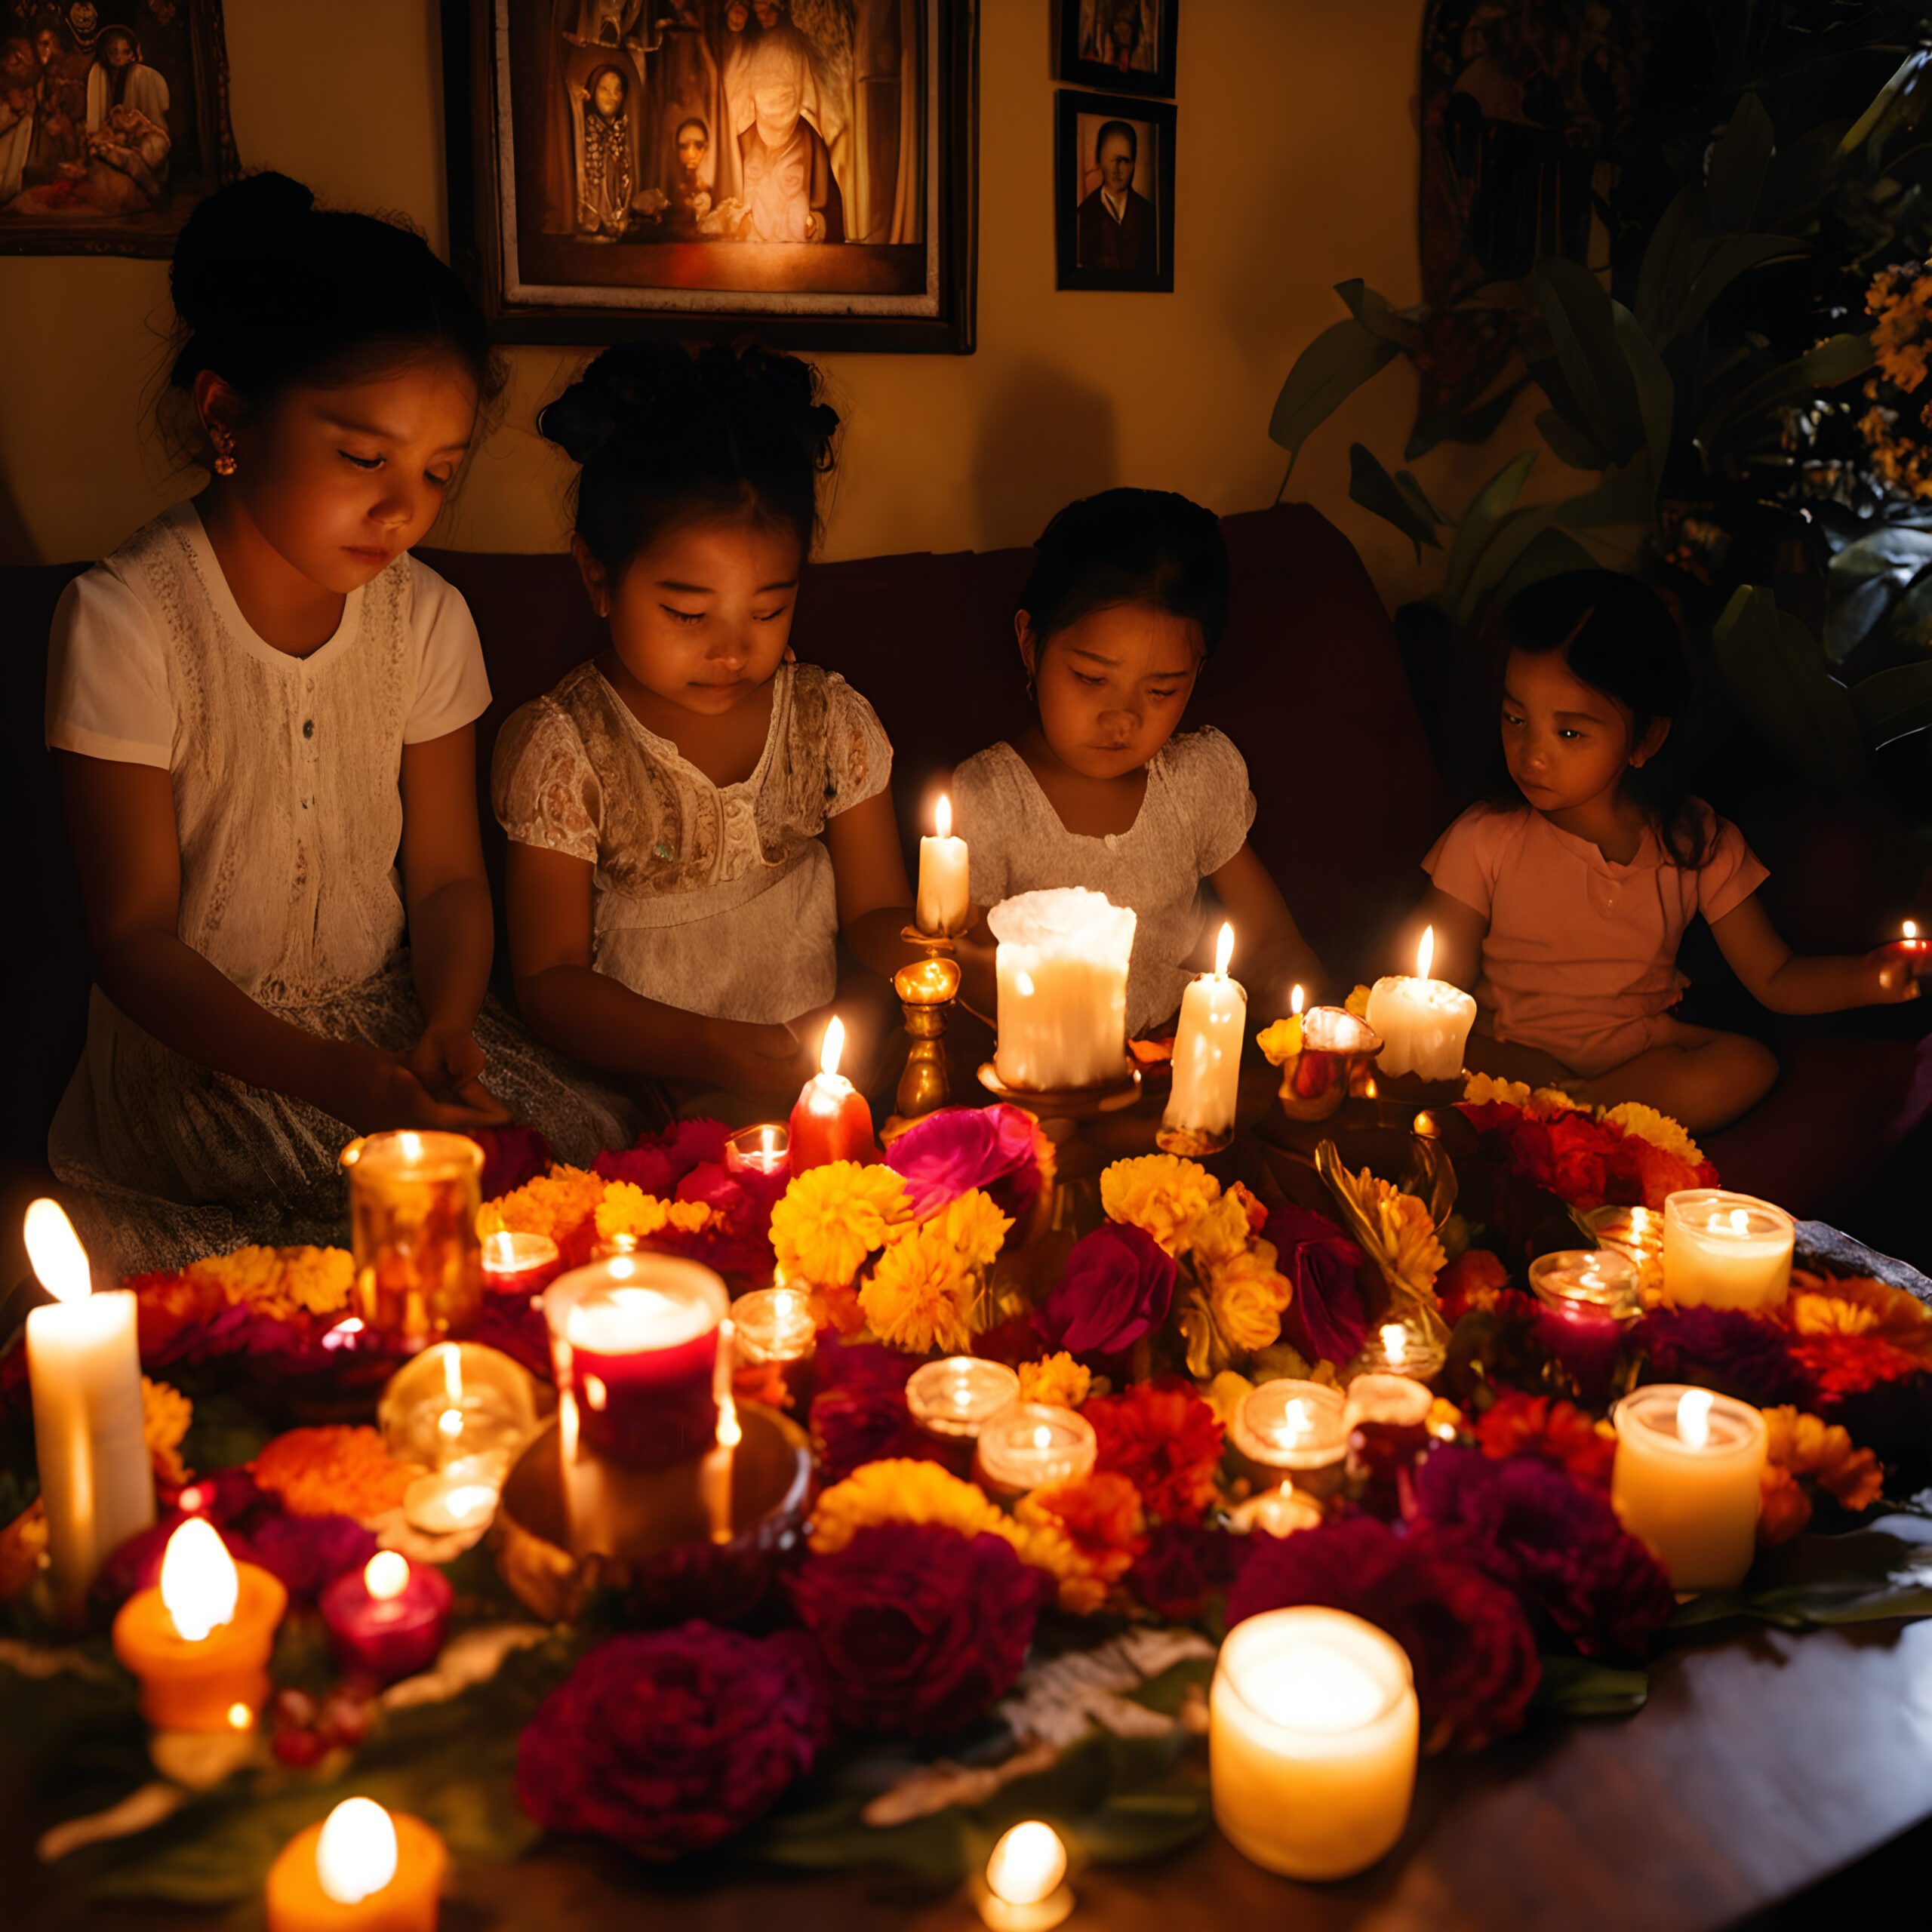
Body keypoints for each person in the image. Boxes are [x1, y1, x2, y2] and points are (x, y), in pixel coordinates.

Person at [44, 171, 633, 1272]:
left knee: (590, 1163)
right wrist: (332, 1082)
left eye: (438, 474)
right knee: (349, 1235)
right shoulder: (126, 620)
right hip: (207, 1054)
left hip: (388, 1026)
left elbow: (450, 879)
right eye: (364, 457)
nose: (402, 506)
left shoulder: (428, 620)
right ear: (227, 416)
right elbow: (133, 941)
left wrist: (448, 1023)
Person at [492, 343, 913, 1113]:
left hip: (815, 1082)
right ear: (597, 577)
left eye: (768, 610)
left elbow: (876, 917)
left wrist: (943, 961)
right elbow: (548, 982)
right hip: (636, 1089)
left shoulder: (828, 724)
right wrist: (713, 1051)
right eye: (687, 614)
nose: (730, 650)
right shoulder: (566, 748)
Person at [1414, 571, 1928, 1131]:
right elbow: (1434, 984)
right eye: (1516, 719)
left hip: (1637, 1063)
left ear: (1646, 740)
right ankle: (1574, 1113)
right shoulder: (1487, 837)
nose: (1531, 753)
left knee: (1747, 1065)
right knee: (1444, 1046)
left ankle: (1572, 1110)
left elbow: (1776, 975)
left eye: (1569, 734)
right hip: (1512, 1050)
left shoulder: (1693, 842)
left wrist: (1873, 978)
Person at [949, 489, 1324, 1038]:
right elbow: (975, 979)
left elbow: (1272, 941)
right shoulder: (992, 800)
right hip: (1050, 1075)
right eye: (1091, 679)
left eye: (1162, 690)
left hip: (1180, 1067)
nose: (1122, 719)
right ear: (1030, 644)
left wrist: (1308, 1014)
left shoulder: (1193, 782)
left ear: (1196, 674)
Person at [738, 78, 841, 242]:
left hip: (796, 251)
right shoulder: (743, 141)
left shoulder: (812, 141)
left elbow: (831, 210)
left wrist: (815, 223)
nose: (776, 116)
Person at [1076, 118, 1151, 274]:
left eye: (1123, 160)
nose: (1116, 169)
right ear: (1099, 159)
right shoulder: (1084, 215)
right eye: (1110, 160)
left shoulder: (1149, 215)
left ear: (1133, 163)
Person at [574, 60, 635, 237]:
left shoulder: (623, 130)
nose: (613, 96)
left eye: (618, 89)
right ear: (593, 92)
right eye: (605, 89)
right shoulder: (587, 131)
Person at [83, 24, 167, 138]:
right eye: (113, 52)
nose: (118, 57)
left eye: (124, 52)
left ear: (131, 53)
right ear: (105, 51)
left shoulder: (139, 74)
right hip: (109, 135)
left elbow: (154, 115)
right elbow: (94, 119)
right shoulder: (99, 71)